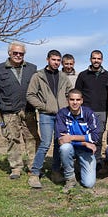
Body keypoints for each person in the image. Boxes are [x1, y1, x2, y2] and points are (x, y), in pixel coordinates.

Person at [0, 42, 40, 179]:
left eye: (21, 53)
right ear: (9, 53)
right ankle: (16, 168)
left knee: (32, 138)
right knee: (13, 139)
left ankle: (33, 167)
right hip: (9, 111)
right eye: (15, 53)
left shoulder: (32, 68)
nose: (18, 55)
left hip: (28, 110)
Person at [27, 49, 72, 188]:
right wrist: (43, 107)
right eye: (54, 60)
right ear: (47, 60)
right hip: (46, 114)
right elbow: (30, 95)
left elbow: (69, 93)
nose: (56, 63)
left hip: (61, 116)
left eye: (59, 60)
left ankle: (56, 171)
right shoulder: (38, 76)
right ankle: (35, 174)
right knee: (45, 143)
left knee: (59, 144)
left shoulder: (63, 76)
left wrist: (66, 107)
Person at [56, 89, 100, 192]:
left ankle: (79, 166)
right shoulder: (62, 114)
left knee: (89, 184)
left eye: (77, 99)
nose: (75, 102)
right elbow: (62, 140)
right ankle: (70, 178)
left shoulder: (89, 114)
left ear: (82, 101)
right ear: (68, 100)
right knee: (65, 148)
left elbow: (95, 137)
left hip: (85, 150)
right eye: (72, 99)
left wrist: (71, 137)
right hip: (74, 147)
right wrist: (84, 142)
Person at [75, 50, 108, 166]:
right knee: (85, 136)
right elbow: (77, 93)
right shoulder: (83, 75)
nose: (96, 61)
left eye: (99, 58)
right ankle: (83, 161)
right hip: (86, 111)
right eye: (94, 58)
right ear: (90, 59)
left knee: (98, 137)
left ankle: (98, 160)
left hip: (102, 110)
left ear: (102, 60)